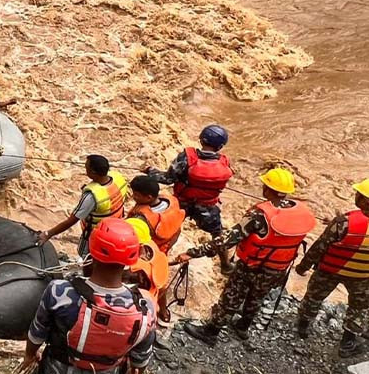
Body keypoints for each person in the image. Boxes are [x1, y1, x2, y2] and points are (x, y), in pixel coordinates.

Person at [12, 218, 156, 374]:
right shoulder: (145, 307)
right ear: (132, 259)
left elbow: (37, 333)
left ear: (92, 251)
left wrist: (29, 357)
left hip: (59, 370)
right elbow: (141, 357)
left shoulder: (60, 291)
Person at [176, 168, 315, 345]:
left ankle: (211, 332)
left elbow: (227, 240)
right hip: (278, 269)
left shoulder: (260, 215)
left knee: (231, 297)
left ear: (268, 189)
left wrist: (192, 253)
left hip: (252, 266)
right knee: (257, 297)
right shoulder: (301, 212)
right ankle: (243, 327)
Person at [294, 178, 369, 357]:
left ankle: (303, 327)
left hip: (330, 271)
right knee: (359, 308)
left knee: (313, 298)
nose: (355, 195)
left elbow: (319, 247)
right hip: (362, 276)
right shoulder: (342, 222)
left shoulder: (343, 222)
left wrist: (302, 267)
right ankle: (348, 343)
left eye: (359, 194)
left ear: (365, 200)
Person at [147, 125, 233, 272]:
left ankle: (155, 258)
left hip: (182, 202)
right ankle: (226, 265)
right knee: (218, 234)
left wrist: (150, 171)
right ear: (220, 146)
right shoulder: (224, 161)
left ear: (200, 139)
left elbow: (167, 179)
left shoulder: (187, 156)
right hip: (207, 206)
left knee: (170, 228)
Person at [39, 155, 130, 259]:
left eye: (86, 167)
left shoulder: (92, 196)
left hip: (96, 236)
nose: (85, 169)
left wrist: (48, 234)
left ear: (93, 173)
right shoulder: (118, 177)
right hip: (116, 230)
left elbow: (72, 221)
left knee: (87, 259)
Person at [125, 217, 172, 322]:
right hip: (153, 298)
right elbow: (163, 287)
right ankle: (163, 312)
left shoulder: (134, 270)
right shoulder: (151, 245)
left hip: (139, 309)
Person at [127, 175, 185, 255]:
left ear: (149, 198)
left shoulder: (141, 219)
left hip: (152, 249)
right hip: (168, 242)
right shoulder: (171, 200)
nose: (133, 197)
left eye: (137, 195)